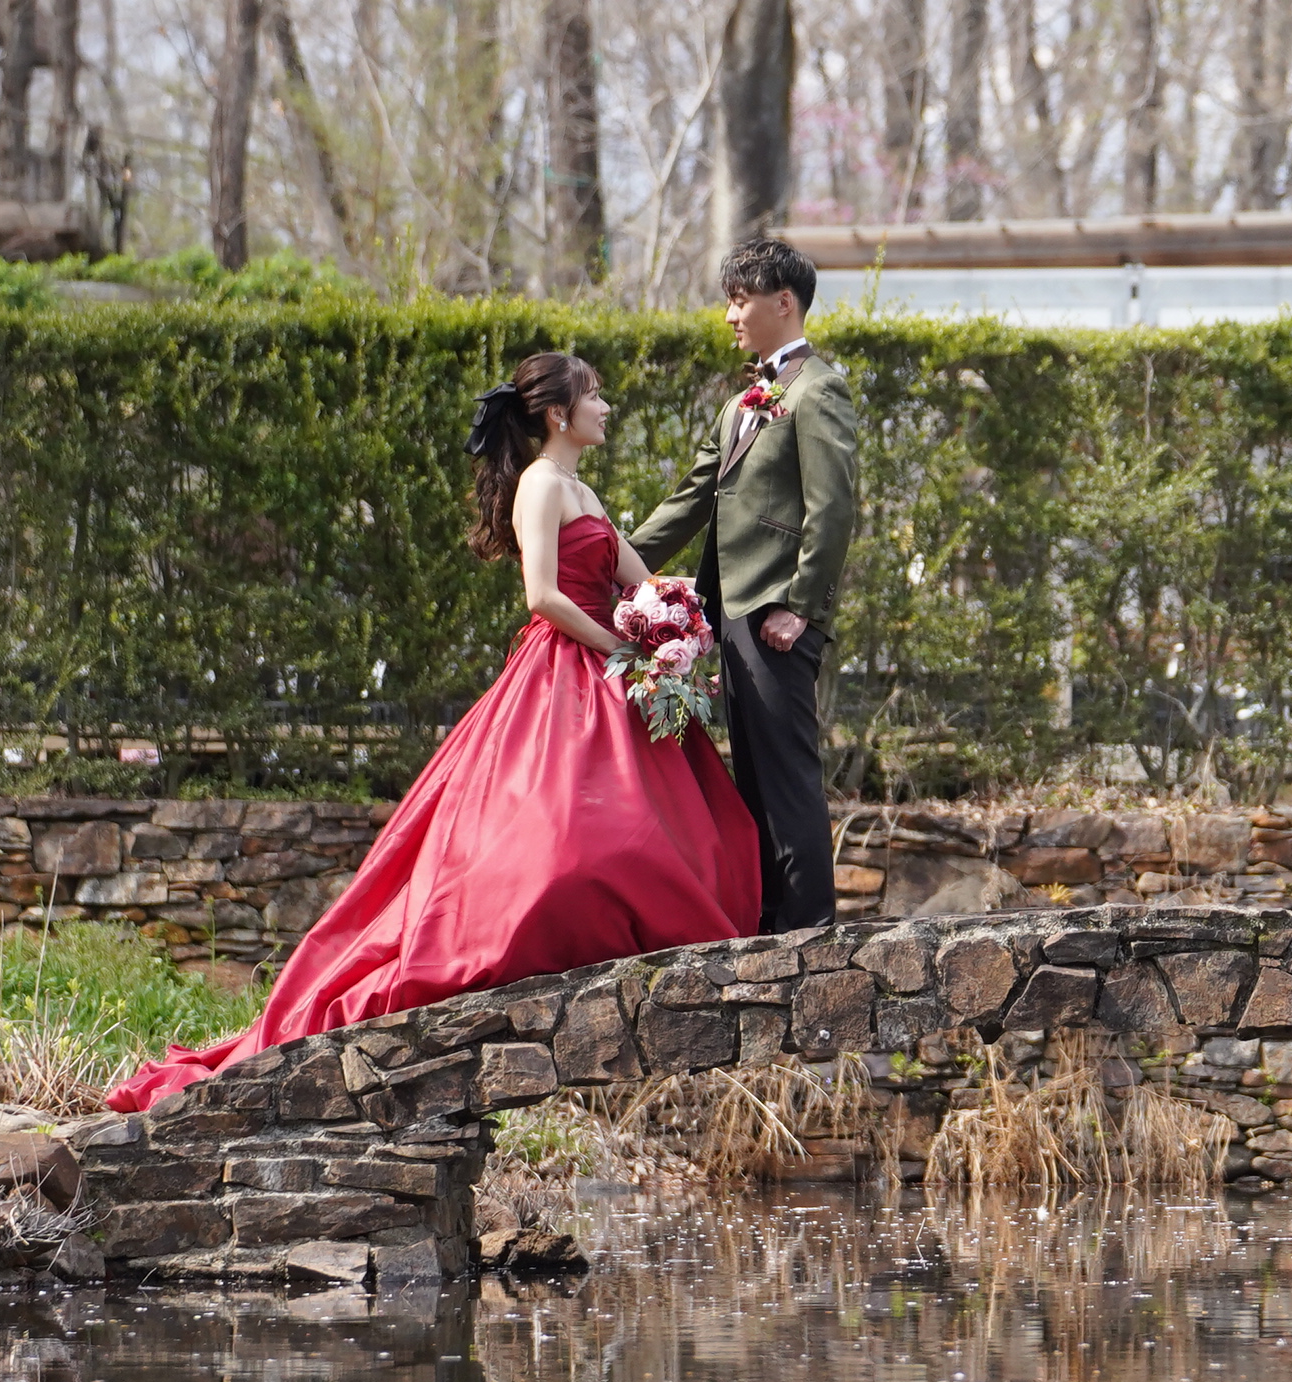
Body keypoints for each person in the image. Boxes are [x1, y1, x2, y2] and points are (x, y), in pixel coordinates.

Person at [104, 352, 761, 1113]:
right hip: (563, 674)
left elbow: (637, 583)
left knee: (671, 824)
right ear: (558, 413)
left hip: (609, 671)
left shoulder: (582, 488)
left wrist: (670, 624)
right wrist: (621, 648)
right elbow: (544, 594)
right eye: (595, 395)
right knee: (574, 839)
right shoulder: (541, 486)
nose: (606, 407)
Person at [632, 236, 858, 936]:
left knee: (786, 774)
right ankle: (768, 924)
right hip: (730, 617)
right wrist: (607, 558)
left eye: (740, 300)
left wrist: (800, 606)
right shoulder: (742, 405)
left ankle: (809, 931)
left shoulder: (820, 389)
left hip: (775, 618)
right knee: (752, 774)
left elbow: (834, 507)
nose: (729, 314)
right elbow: (692, 496)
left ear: (782, 302)